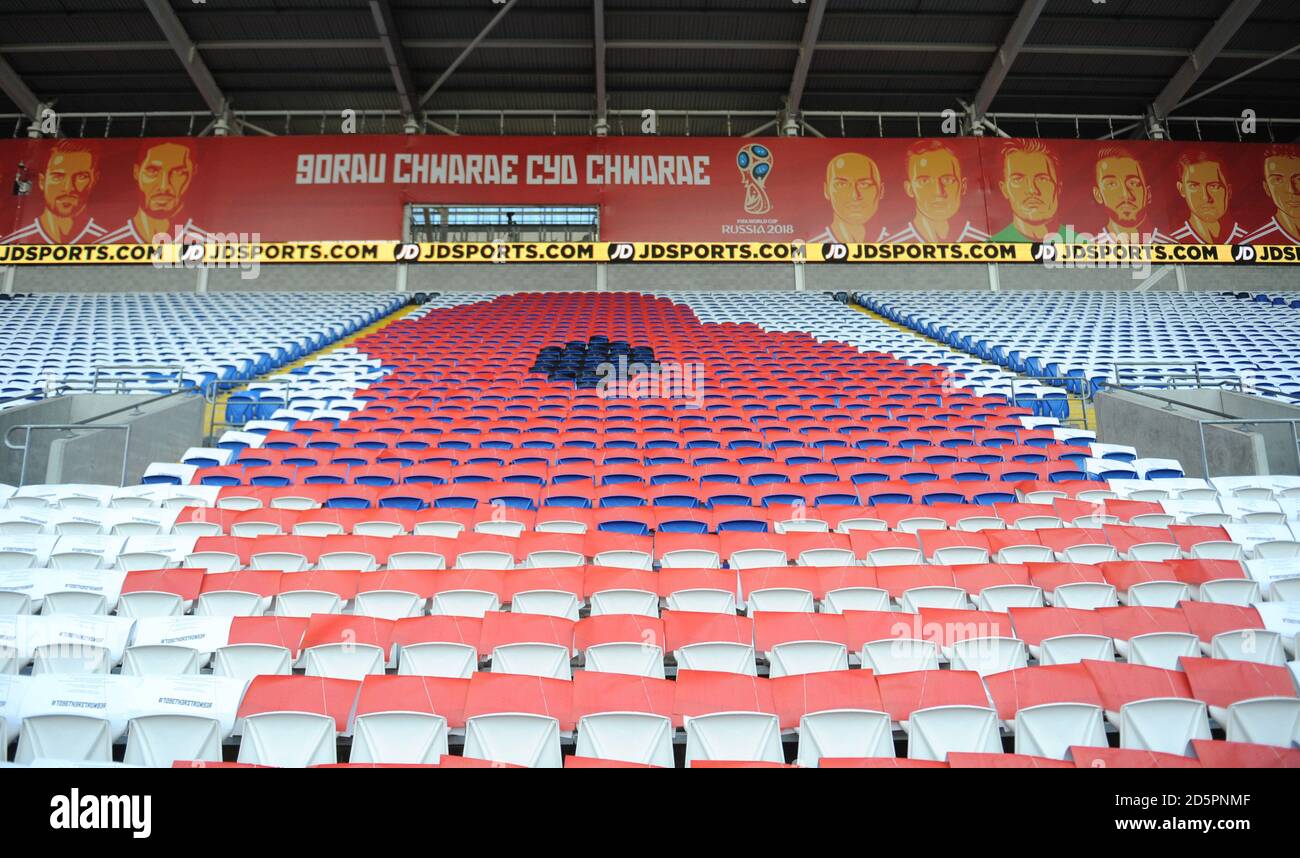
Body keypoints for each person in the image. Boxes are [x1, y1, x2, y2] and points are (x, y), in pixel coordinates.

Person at [98, 139, 210, 243]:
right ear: (136, 172)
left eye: (178, 172)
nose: (164, 186)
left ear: (193, 173)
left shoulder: (212, 247)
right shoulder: (104, 246)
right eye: (152, 171)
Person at [879, 140, 988, 242]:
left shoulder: (988, 244)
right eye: (924, 181)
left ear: (963, 186)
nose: (938, 192)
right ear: (910, 189)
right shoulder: (889, 248)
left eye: (948, 180)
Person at [1, 140, 106, 244]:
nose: (68, 188)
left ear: (94, 180)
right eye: (58, 177)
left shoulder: (109, 241)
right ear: (42, 181)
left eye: (81, 177)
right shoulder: (11, 243)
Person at [990, 139, 1083, 243]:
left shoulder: (1084, 246)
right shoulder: (993, 246)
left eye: (1042, 179)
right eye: (1018, 179)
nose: (1032, 190)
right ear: (1004, 189)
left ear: (1058, 188)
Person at [1166, 150, 1246, 244]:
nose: (1206, 197)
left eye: (1214, 186)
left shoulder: (1251, 240)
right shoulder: (1171, 243)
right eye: (1194, 186)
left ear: (1229, 191)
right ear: (1181, 189)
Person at [810, 152, 883, 243]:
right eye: (841, 184)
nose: (855, 195)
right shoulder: (810, 247)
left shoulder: (898, 241)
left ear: (881, 190)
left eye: (864, 184)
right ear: (827, 190)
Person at [1242, 145, 1300, 244]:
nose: (1291, 189)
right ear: (1267, 188)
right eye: (1278, 180)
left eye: (1299, 179)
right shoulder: (1251, 245)